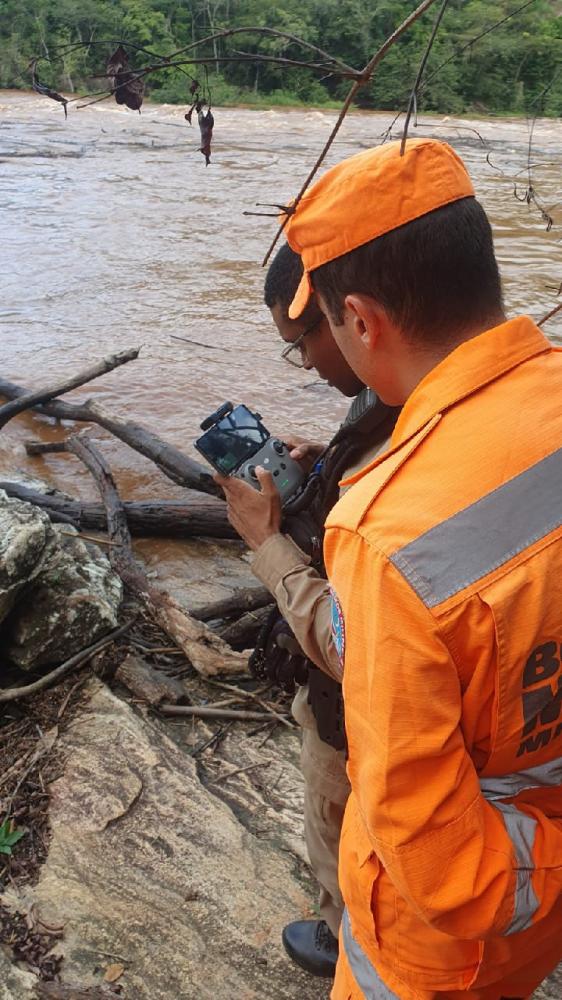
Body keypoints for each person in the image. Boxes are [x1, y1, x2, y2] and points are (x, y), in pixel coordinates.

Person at [280, 137, 562, 999]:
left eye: (326, 326)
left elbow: (442, 868)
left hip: (445, 957)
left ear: (361, 320)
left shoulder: (388, 535)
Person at [216, 242, 397, 978]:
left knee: (338, 817)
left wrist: (266, 542)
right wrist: (331, 460)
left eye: (300, 345)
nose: (307, 366)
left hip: (353, 712)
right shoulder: (406, 401)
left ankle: (344, 940)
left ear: (350, 316)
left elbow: (350, 644)